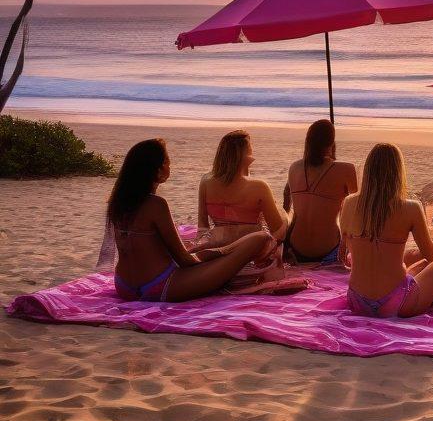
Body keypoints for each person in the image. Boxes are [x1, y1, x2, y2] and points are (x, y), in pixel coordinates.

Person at [106, 138, 273, 303]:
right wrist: (220, 253)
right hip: (159, 285)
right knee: (261, 238)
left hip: (123, 286)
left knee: (210, 252)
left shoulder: (118, 202)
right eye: (167, 162)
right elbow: (184, 260)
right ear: (158, 170)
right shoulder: (156, 204)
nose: (170, 167)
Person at [340, 143, 433, 318]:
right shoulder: (411, 208)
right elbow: (431, 255)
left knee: (417, 261)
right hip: (398, 302)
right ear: (398, 172)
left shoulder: (349, 203)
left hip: (357, 301)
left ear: (368, 171)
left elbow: (345, 254)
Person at [197, 130, 287, 257]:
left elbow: (202, 226)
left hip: (219, 243)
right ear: (246, 156)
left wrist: (206, 244)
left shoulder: (205, 181)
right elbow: (278, 231)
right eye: (251, 149)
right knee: (285, 216)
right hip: (250, 248)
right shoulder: (259, 187)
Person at [284, 119, 357, 264]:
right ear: (331, 143)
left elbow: (287, 199)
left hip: (295, 247)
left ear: (308, 141)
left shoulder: (294, 167)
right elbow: (357, 209)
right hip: (328, 249)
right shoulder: (346, 169)